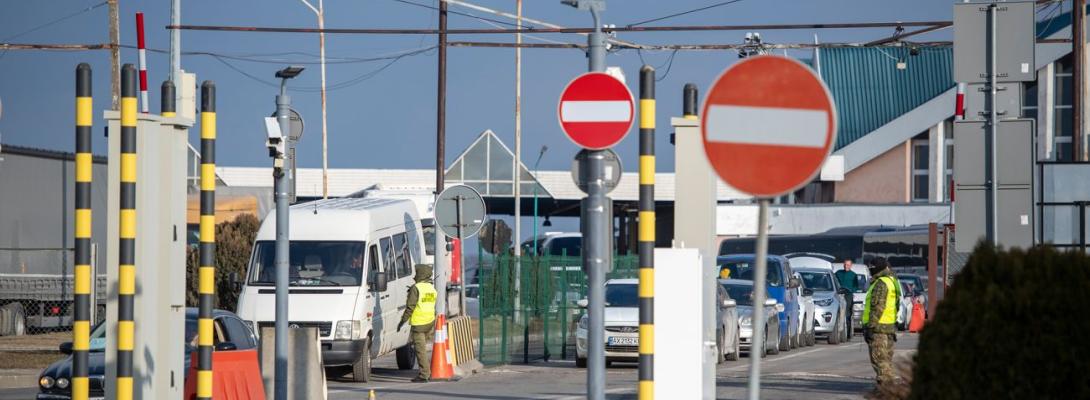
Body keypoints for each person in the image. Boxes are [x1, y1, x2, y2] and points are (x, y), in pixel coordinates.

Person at [863, 257, 900, 391]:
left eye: (871, 268)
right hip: (889, 327)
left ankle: (887, 390)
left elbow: (877, 306)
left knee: (880, 360)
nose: (870, 271)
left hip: (879, 328)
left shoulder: (881, 283)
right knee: (886, 360)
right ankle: (882, 387)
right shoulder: (892, 281)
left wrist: (870, 328)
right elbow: (896, 305)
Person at [398, 264, 437, 382]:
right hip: (430, 322)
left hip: (419, 324)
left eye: (417, 273)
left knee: (420, 351)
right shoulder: (431, 288)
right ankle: (427, 372)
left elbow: (410, 307)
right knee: (422, 349)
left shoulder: (416, 288)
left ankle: (424, 374)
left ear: (420, 274)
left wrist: (402, 321)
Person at [834, 260, 858, 337]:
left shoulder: (853, 275)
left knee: (847, 314)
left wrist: (852, 291)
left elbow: (856, 286)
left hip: (848, 295)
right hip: (839, 294)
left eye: (848, 265)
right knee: (839, 312)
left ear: (851, 266)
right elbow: (834, 281)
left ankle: (847, 334)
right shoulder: (838, 273)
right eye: (845, 265)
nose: (846, 266)